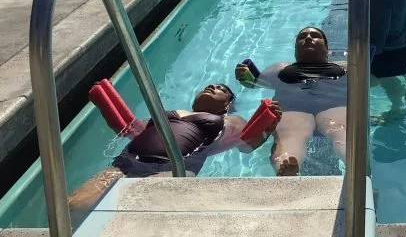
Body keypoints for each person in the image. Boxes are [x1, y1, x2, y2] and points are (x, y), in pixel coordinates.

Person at [68, 84, 281, 224]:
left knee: (132, 215)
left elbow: (244, 144)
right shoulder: (173, 112)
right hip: (127, 161)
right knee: (73, 207)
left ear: (227, 104)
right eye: (210, 85)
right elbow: (135, 131)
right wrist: (108, 107)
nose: (213, 87)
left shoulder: (229, 121)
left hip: (172, 168)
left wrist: (267, 126)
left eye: (220, 89)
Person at [235, 27, 347, 176]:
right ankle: (287, 169)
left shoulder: (345, 67)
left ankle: (355, 166)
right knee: (290, 136)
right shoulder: (280, 68)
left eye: (315, 36)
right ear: (295, 50)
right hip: (294, 109)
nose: (308, 38)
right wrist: (243, 76)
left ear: (327, 49)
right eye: (302, 37)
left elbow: (370, 82)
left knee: (341, 132)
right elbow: (255, 83)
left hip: (331, 107)